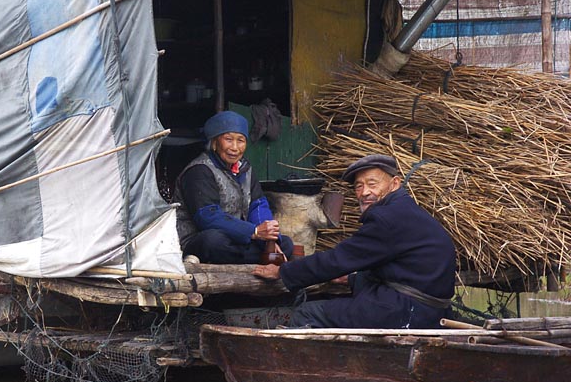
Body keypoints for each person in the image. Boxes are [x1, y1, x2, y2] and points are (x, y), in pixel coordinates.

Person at [253, 154, 456, 329]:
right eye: (359, 186)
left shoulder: (387, 218)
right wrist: (352, 280)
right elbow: (401, 270)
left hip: (408, 311)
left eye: (372, 184)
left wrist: (283, 271)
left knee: (308, 312)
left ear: (394, 184)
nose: (365, 192)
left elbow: (338, 259)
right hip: (429, 310)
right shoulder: (405, 211)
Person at [173, 110, 293, 264]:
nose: (235, 147)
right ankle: (256, 258)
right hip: (198, 240)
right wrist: (254, 232)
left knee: (286, 244)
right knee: (213, 241)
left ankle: (250, 257)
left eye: (240, 140)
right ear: (215, 142)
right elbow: (207, 218)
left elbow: (257, 206)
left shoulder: (246, 169)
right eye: (228, 139)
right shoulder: (199, 170)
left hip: (237, 238)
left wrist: (268, 238)